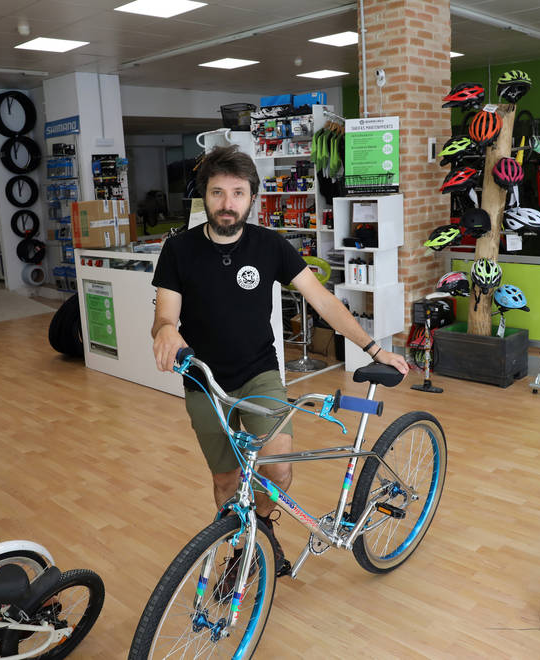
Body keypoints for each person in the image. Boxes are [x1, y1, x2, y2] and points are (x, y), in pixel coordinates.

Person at [151, 145, 408, 582]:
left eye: (237, 193)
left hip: (260, 374)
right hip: (203, 383)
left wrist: (374, 349)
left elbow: (324, 301)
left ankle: (262, 534)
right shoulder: (179, 250)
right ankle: (244, 547)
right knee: (227, 482)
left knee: (278, 471)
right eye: (217, 193)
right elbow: (165, 316)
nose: (227, 203)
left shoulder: (270, 245)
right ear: (205, 197)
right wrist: (164, 331)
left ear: (252, 197)